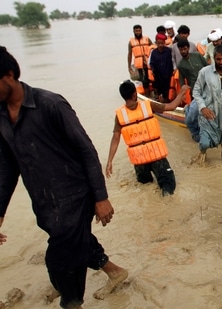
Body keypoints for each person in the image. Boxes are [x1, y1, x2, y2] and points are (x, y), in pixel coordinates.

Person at [0, 46, 128, 309]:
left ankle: (71, 302)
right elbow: (8, 167)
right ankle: (114, 272)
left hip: (75, 196)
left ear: (8, 75)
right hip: (44, 203)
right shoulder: (1, 117)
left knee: (60, 261)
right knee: (76, 244)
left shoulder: (50, 104)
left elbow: (86, 150)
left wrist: (101, 198)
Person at [106, 80, 189, 197]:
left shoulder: (119, 116)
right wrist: (181, 92)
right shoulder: (148, 105)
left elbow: (115, 138)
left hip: (140, 161)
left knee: (145, 187)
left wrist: (110, 161)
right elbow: (172, 106)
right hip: (156, 155)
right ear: (135, 94)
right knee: (168, 186)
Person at [192, 45, 222, 165]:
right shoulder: (204, 72)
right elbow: (196, 92)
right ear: (214, 58)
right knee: (204, 144)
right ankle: (202, 155)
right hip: (209, 115)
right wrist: (203, 107)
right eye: (218, 59)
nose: (221, 62)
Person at [176, 39, 209, 141]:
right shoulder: (181, 65)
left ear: (188, 48)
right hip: (196, 92)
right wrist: (183, 92)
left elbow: (208, 68)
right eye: (181, 49)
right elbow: (181, 81)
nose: (183, 51)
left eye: (185, 49)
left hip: (208, 88)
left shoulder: (197, 56)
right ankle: (196, 134)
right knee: (191, 119)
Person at [127, 24, 153, 96]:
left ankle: (152, 93)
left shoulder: (147, 39)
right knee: (143, 80)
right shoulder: (131, 42)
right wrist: (129, 66)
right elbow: (129, 54)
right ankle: (147, 95)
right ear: (133, 31)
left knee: (151, 78)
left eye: (139, 30)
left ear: (141, 30)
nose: (138, 32)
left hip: (148, 62)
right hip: (139, 65)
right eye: (136, 31)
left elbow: (153, 48)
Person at [149, 33, 173, 102]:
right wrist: (153, 70)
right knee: (159, 91)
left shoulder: (169, 51)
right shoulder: (154, 52)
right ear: (156, 43)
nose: (160, 45)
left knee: (168, 92)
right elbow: (151, 63)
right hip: (158, 76)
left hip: (168, 76)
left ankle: (168, 102)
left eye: (162, 43)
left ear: (164, 43)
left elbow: (172, 62)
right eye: (159, 43)